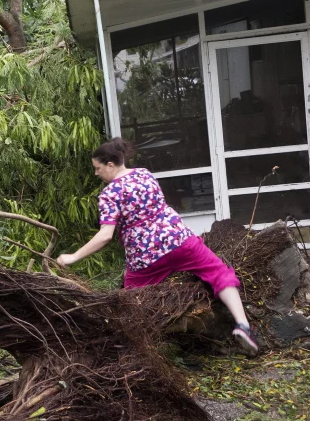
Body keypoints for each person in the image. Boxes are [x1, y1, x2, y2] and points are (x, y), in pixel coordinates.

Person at [55, 137, 261, 356]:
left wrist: (73, 256)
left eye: (97, 168)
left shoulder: (109, 194)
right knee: (218, 271)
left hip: (145, 256)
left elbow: (105, 235)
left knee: (131, 299)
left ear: (111, 165)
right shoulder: (144, 174)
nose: (96, 173)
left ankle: (128, 349)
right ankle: (243, 326)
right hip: (178, 240)